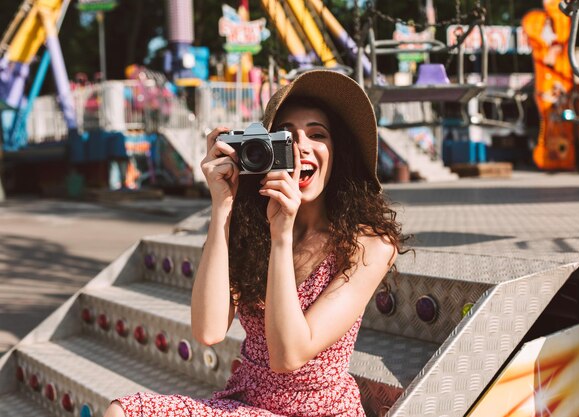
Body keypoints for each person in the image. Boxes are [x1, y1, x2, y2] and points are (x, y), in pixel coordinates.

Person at [104, 70, 404, 417]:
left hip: (317, 412)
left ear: (337, 154)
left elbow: (289, 354)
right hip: (246, 403)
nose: (301, 146)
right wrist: (222, 209)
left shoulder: (367, 244)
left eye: (317, 135)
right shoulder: (252, 231)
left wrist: (281, 237)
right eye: (286, 137)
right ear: (267, 152)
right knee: (122, 412)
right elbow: (209, 329)